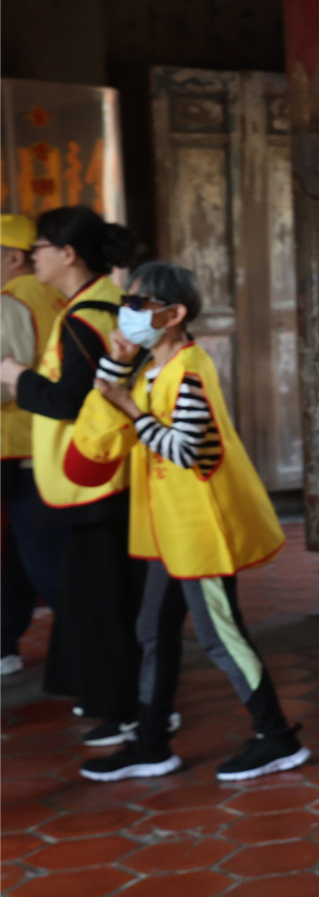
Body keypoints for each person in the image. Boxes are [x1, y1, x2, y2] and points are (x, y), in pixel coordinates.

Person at [61, 261, 304, 781]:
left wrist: (132, 410)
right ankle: (151, 743)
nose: (126, 313)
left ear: (173, 315)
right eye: (125, 302)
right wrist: (117, 369)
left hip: (198, 530)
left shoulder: (189, 370)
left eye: (137, 304)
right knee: (153, 630)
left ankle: (277, 737)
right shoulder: (152, 368)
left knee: (221, 636)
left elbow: (186, 450)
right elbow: (104, 425)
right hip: (167, 530)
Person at [0, 207, 145, 740]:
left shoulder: (85, 316)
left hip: (95, 475)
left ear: (67, 254)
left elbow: (70, 401)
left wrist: (18, 377)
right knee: (91, 588)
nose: (34, 257)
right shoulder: (100, 305)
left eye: (40, 248)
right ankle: (116, 699)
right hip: (97, 470)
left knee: (98, 594)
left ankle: (129, 709)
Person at [1, 213, 68, 678]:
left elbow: (8, 379)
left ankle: (97, 657)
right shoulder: (58, 295)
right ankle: (4, 640)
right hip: (48, 442)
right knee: (23, 549)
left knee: (43, 555)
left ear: (13, 258)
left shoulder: (11, 300)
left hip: (15, 444)